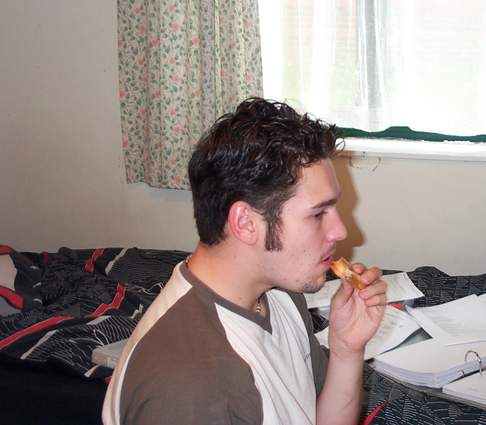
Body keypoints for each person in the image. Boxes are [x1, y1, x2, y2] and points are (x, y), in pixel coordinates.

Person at [102, 97, 388, 425]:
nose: (341, 231)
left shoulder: (280, 293)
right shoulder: (187, 389)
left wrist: (346, 350)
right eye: (318, 214)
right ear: (245, 223)